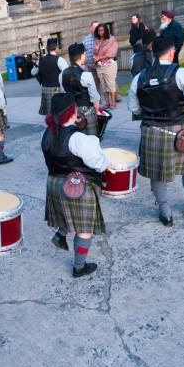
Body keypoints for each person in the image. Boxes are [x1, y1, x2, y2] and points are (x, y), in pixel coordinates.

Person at [127, 36, 184, 226]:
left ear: (153, 54)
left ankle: (165, 212)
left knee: (157, 173)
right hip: (179, 129)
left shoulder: (140, 78)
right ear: (172, 52)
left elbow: (134, 108)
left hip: (151, 132)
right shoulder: (182, 73)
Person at [42, 93, 112, 277]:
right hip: (77, 186)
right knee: (85, 229)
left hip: (55, 183)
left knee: (69, 210)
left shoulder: (46, 134)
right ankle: (79, 267)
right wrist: (107, 164)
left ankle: (61, 233)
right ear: (72, 113)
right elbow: (97, 161)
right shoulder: (78, 139)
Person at [59, 43, 101, 135]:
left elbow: (64, 93)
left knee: (74, 141)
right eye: (85, 54)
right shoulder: (86, 75)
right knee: (91, 142)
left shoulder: (62, 74)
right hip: (86, 112)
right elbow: (95, 99)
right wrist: (97, 112)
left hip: (70, 112)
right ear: (82, 56)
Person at [31, 38, 69, 115]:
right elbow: (66, 74)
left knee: (49, 113)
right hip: (57, 89)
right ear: (56, 48)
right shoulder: (60, 60)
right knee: (59, 112)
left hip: (45, 89)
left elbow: (33, 72)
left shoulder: (40, 60)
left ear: (47, 48)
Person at [93, 24, 119, 110]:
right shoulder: (96, 41)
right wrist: (95, 58)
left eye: (102, 30)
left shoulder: (111, 39)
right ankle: (107, 103)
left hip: (110, 65)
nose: (101, 32)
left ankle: (113, 103)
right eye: (99, 30)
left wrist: (99, 57)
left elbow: (112, 53)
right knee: (103, 85)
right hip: (99, 66)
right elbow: (94, 53)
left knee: (111, 84)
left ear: (106, 30)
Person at [82, 21, 102, 98]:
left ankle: (116, 97)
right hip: (91, 65)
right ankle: (98, 99)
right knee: (95, 83)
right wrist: (83, 63)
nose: (96, 29)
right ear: (91, 28)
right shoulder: (86, 39)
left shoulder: (102, 37)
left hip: (102, 64)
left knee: (107, 81)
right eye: (94, 27)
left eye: (97, 27)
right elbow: (82, 51)